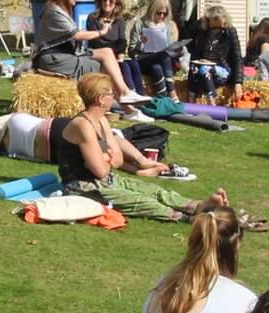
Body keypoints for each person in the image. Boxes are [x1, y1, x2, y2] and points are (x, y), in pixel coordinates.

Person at [56, 72, 218, 222]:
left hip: (106, 180)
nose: (114, 97)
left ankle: (199, 206)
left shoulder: (101, 120)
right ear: (101, 99)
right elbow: (101, 171)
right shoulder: (82, 125)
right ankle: (187, 219)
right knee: (143, 201)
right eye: (111, 94)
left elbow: (118, 160)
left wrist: (106, 158)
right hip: (83, 188)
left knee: (154, 190)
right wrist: (107, 158)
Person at [32, 0, 138, 103]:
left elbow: (121, 41)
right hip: (54, 58)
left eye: (111, 1)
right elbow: (77, 35)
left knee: (109, 54)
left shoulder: (58, 10)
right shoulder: (55, 11)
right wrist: (101, 32)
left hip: (64, 54)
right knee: (103, 66)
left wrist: (119, 56)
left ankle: (126, 95)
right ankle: (113, 101)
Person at [185, 5, 241, 102]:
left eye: (220, 28)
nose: (216, 31)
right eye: (214, 28)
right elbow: (189, 36)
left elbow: (237, 57)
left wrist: (238, 82)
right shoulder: (201, 31)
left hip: (222, 70)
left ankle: (212, 101)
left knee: (205, 69)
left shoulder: (230, 32)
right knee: (194, 68)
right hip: (203, 69)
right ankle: (191, 99)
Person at [135, 0, 183, 94]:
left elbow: (172, 48)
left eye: (165, 14)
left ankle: (163, 97)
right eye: (159, 13)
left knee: (156, 67)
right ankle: (172, 91)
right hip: (145, 59)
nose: (161, 16)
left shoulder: (170, 25)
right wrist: (140, 44)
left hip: (164, 63)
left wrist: (177, 49)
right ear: (152, 11)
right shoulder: (140, 24)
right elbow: (131, 51)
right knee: (163, 56)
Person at [245, 16, 269, 83]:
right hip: (257, 71)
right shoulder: (265, 39)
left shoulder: (254, 37)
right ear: (267, 28)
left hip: (248, 70)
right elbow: (265, 57)